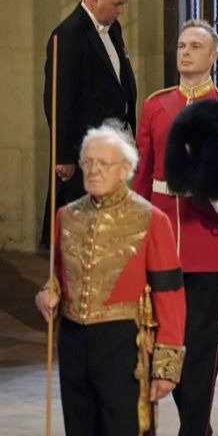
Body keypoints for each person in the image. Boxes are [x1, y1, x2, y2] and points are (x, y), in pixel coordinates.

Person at [132, 19, 218, 435]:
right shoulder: (156, 106)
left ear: (214, 57)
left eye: (195, 46)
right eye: (181, 45)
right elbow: (141, 180)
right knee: (160, 347)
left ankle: (194, 428)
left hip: (207, 244)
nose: (185, 52)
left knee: (200, 350)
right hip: (159, 244)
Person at [35, 122, 186, 435]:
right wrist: (49, 292)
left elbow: (169, 295)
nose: (93, 170)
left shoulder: (151, 220)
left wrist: (166, 368)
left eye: (103, 163)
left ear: (126, 168)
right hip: (74, 343)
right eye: (87, 162)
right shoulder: (66, 215)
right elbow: (60, 276)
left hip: (123, 345)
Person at [42, 0, 137, 248]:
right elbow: (58, 98)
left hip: (112, 143)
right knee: (78, 230)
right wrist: (63, 155)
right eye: (117, 4)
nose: (121, 11)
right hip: (83, 148)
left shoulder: (114, 28)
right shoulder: (69, 35)